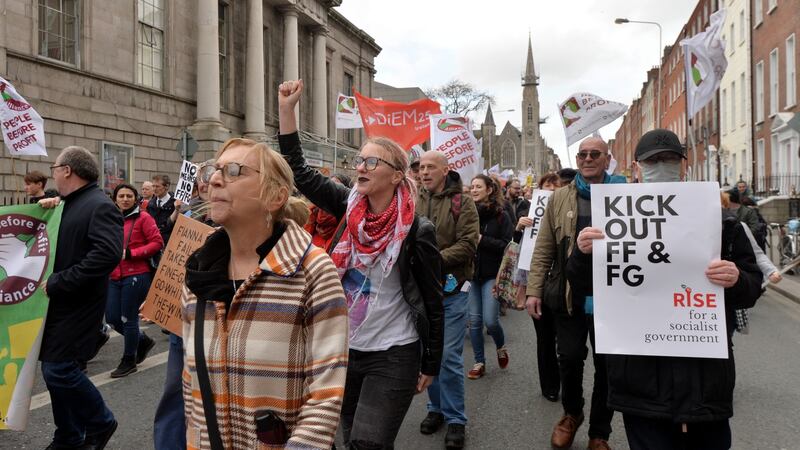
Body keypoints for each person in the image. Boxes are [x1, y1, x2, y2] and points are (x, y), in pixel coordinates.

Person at [278, 79, 444, 449]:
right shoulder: (347, 207)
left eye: (372, 161)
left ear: (397, 175)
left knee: (369, 443)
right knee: (349, 435)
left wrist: (431, 363)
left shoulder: (418, 230)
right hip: (342, 348)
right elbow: (300, 173)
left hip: (395, 351)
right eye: (359, 160)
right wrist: (287, 112)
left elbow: (432, 302)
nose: (361, 167)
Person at [573, 129, 762, 450]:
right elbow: (580, 283)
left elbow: (752, 286)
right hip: (641, 381)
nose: (661, 166)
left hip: (704, 379)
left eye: (669, 159)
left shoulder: (721, 221)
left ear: (683, 167)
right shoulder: (613, 218)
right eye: (652, 161)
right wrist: (581, 253)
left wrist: (737, 278)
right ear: (637, 167)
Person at [181, 135, 349, 449]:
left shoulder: (312, 271)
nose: (215, 180)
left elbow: (327, 393)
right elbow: (190, 380)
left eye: (233, 171)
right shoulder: (198, 274)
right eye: (213, 170)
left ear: (274, 197)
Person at [526, 137, 624, 450]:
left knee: (607, 366)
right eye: (582, 154)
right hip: (569, 295)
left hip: (613, 298)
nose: (587, 158)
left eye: (595, 154)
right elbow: (543, 248)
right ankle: (571, 414)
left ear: (607, 158)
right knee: (568, 358)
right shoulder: (559, 199)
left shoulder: (624, 195)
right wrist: (533, 290)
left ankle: (599, 432)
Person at [39, 146, 123, 449]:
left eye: (55, 168)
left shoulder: (99, 205)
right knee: (53, 371)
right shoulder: (69, 203)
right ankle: (68, 435)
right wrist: (47, 205)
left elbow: (107, 254)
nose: (53, 174)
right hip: (58, 302)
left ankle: (101, 421)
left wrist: (61, 281)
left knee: (58, 369)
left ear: (67, 171)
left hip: (78, 304)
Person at [417, 150, 479, 449]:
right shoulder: (412, 200)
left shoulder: (462, 202)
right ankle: (436, 409)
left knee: (448, 356)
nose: (424, 172)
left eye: (430, 167)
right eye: (421, 167)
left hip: (452, 290)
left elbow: (468, 244)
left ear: (445, 170)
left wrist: (432, 260)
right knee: (428, 354)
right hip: (420, 293)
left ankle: (456, 419)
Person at [153, 160, 214, 450]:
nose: (204, 184)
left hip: (216, 322)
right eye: (201, 179)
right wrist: (156, 299)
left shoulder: (237, 220)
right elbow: (172, 263)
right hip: (182, 321)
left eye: (211, 178)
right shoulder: (189, 213)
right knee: (174, 392)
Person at [106, 183, 163, 378]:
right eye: (121, 196)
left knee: (128, 319)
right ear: (115, 199)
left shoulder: (144, 218)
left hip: (137, 274)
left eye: (129, 196)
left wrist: (130, 253)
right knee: (113, 318)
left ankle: (129, 359)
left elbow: (157, 243)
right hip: (114, 275)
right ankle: (142, 341)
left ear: (135, 198)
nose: (125, 199)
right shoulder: (110, 218)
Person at [514, 173, 560, 401]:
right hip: (538, 283)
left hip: (562, 284)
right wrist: (519, 228)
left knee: (566, 342)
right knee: (544, 339)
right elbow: (517, 251)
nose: (551, 188)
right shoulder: (528, 212)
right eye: (547, 185)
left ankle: (565, 378)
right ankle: (549, 386)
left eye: (555, 185)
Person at [466, 174, 513, 380]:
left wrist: (482, 240)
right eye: (472, 186)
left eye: (478, 186)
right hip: (470, 275)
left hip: (492, 275)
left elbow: (507, 246)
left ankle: (500, 346)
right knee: (474, 322)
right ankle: (479, 362)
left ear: (489, 190)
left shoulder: (501, 215)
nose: (474, 190)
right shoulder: (465, 214)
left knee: (490, 321)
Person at [304, 174, 351, 250]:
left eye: (336, 188)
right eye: (327, 187)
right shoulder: (309, 218)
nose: (329, 192)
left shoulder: (348, 227)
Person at [146, 174, 176, 246]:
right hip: (153, 243)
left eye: (157, 186)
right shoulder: (150, 204)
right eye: (153, 186)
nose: (154, 189)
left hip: (169, 243)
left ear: (167, 186)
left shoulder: (175, 204)